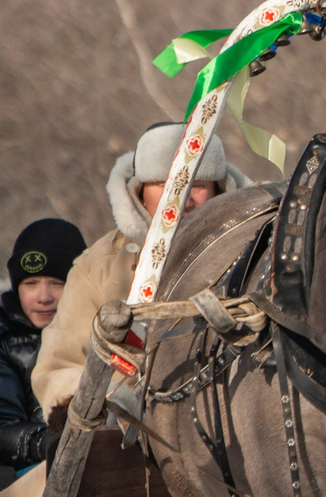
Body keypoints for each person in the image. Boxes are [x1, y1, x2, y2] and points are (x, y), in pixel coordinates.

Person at [32, 120, 249, 411]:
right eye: (165, 186)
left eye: (196, 186)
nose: (180, 200)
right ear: (140, 191)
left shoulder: (252, 252)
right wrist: (111, 406)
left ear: (217, 190)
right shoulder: (100, 268)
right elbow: (60, 367)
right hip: (129, 434)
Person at [0, 217, 85, 470]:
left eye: (57, 284)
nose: (43, 297)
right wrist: (49, 442)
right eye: (30, 284)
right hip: (35, 467)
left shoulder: (102, 332)